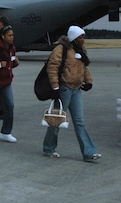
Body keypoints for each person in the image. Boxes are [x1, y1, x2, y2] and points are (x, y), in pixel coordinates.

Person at [43, 26, 101, 162]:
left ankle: (89, 153)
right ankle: (49, 148)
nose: (83, 39)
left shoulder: (81, 50)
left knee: (80, 122)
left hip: (76, 90)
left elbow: (84, 67)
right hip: (64, 89)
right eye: (80, 37)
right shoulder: (61, 49)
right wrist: (55, 88)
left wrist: (88, 81)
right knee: (56, 120)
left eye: (84, 37)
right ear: (74, 38)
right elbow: (52, 68)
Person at [0, 16, 10, 119]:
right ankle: (1, 109)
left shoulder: (5, 34)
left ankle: (6, 111)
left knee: (3, 90)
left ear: (2, 24)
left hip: (3, 65)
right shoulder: (0, 33)